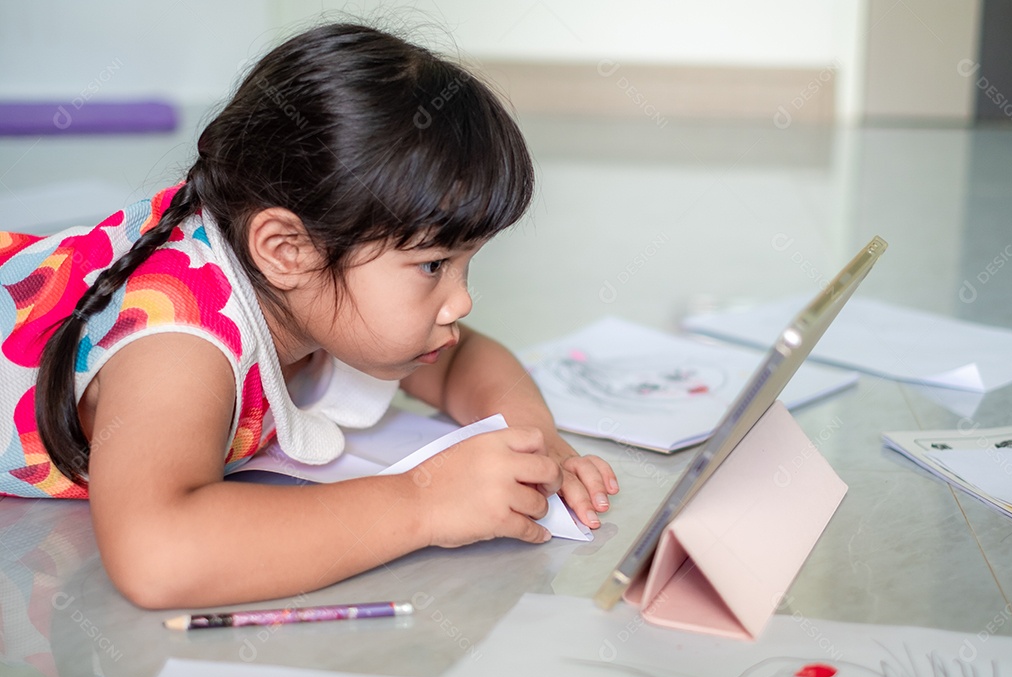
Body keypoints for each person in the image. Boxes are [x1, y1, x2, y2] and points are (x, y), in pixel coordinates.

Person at [0, 22, 617, 609]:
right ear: (286, 250)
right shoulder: (176, 342)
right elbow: (157, 556)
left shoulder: (303, 276)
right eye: (433, 265)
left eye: (465, 265)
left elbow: (461, 363)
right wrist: (421, 503)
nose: (461, 302)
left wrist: (541, 446)